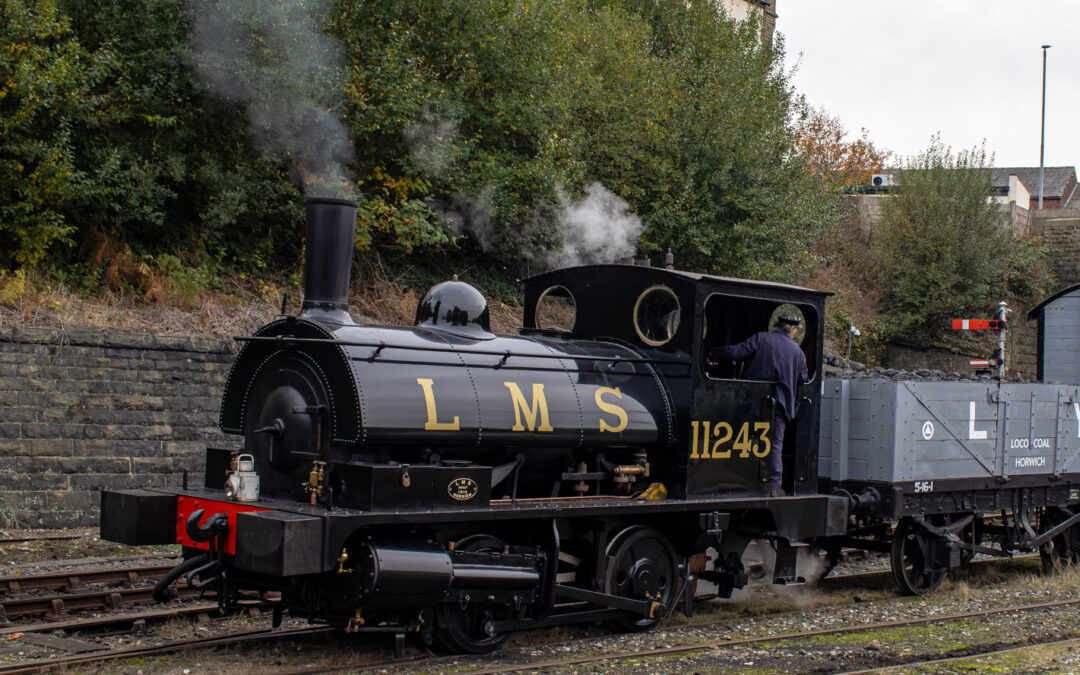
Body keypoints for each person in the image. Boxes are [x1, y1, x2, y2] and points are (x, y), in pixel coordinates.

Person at [708, 315, 807, 497]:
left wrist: (713, 350)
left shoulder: (761, 338)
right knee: (775, 444)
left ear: (777, 326)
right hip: (780, 404)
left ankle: (735, 480)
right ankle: (774, 486)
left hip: (753, 399)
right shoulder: (798, 353)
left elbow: (736, 351)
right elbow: (802, 378)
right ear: (793, 329)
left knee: (741, 440)